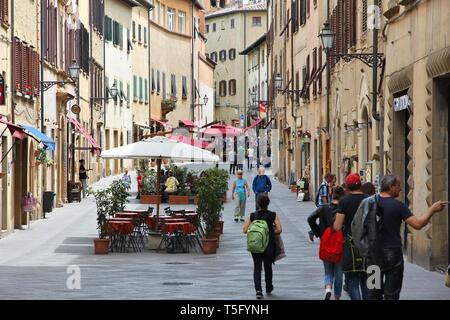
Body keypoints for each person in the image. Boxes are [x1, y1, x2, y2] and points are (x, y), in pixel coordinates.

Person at [366, 175, 445, 300]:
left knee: (373, 293)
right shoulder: (398, 206)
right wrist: (432, 210)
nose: (400, 189)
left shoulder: (369, 203)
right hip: (393, 255)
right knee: (391, 294)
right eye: (398, 186)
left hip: (373, 256)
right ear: (391, 187)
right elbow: (418, 224)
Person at [333, 173, 369, 300]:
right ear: (360, 184)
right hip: (368, 245)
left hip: (350, 245)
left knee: (352, 281)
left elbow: (337, 226)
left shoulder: (344, 201)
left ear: (347, 187)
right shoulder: (369, 199)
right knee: (367, 281)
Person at [308, 186, 345, 300]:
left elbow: (310, 218)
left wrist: (318, 232)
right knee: (339, 273)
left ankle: (328, 288)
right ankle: (337, 296)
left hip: (326, 242)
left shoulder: (323, 208)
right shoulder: (343, 209)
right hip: (340, 243)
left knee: (328, 271)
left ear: (332, 194)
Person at [243, 194, 282, 300]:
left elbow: (245, 230)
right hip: (269, 245)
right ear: (268, 203)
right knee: (268, 266)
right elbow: (279, 230)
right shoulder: (273, 215)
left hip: (255, 245)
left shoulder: (253, 215)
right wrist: (270, 231)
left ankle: (258, 291)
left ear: (258, 203)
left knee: (257, 267)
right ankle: (269, 287)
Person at [310, 173, 336, 242]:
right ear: (330, 179)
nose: (335, 181)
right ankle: (312, 232)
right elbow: (324, 198)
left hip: (325, 206)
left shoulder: (328, 185)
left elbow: (330, 195)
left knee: (324, 221)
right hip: (323, 206)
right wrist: (327, 207)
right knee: (324, 221)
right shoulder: (324, 186)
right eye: (334, 179)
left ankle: (312, 231)